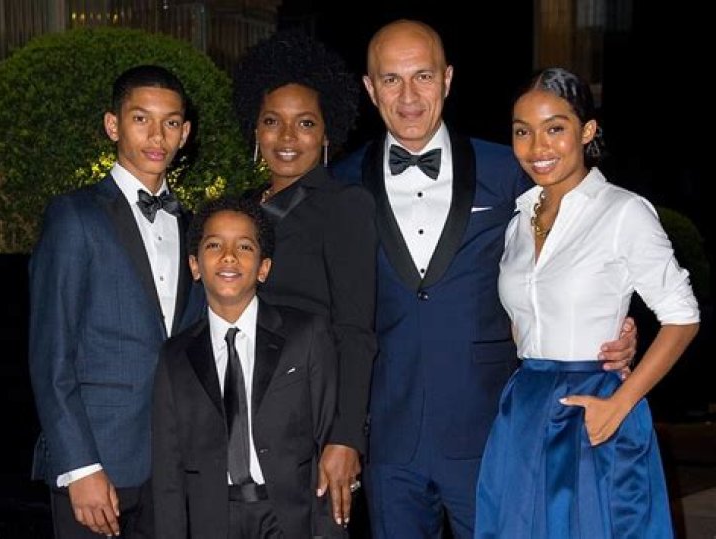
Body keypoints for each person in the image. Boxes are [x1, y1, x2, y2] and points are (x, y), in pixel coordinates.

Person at [333, 20, 638, 538]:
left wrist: (611, 327)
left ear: (447, 79)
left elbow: (581, 249)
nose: (408, 96)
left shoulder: (510, 169)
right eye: (391, 79)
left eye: (423, 76)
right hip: (387, 437)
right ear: (370, 87)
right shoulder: (341, 183)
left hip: (493, 425)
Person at [474, 67, 700, 539]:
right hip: (525, 409)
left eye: (555, 128)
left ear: (587, 131)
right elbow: (523, 322)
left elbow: (682, 317)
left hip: (596, 408)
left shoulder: (623, 212)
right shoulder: (518, 223)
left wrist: (619, 404)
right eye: (523, 132)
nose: (538, 147)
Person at [28, 65, 202, 538]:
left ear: (185, 133)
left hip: (171, 467)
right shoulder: (74, 216)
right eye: (141, 119)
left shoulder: (193, 226)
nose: (157, 136)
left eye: (170, 122)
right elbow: (51, 355)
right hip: (98, 461)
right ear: (113, 125)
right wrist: (79, 466)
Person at [232, 29, 378, 531]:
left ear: (326, 134)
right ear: (255, 129)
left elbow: (356, 331)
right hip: (238, 419)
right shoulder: (239, 211)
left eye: (305, 123)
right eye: (272, 121)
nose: (288, 138)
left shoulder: (345, 206)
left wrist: (346, 436)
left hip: (311, 423)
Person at [151, 195, 338, 538]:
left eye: (245, 247)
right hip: (212, 520)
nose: (229, 256)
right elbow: (167, 472)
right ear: (194, 265)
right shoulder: (175, 358)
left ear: (264, 268)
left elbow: (330, 443)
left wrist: (328, 530)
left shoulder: (306, 335)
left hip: (290, 517)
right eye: (214, 245)